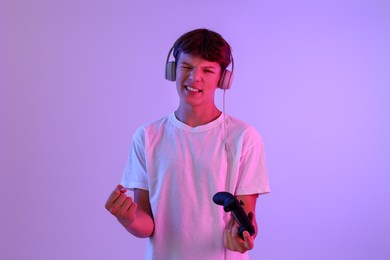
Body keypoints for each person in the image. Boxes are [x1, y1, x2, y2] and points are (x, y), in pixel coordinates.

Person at [105, 28, 270, 259]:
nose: (195, 77)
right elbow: (148, 225)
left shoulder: (244, 138)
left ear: (223, 79)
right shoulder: (147, 137)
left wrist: (240, 236)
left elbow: (246, 219)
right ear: (173, 71)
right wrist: (128, 218)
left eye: (207, 70)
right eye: (187, 67)